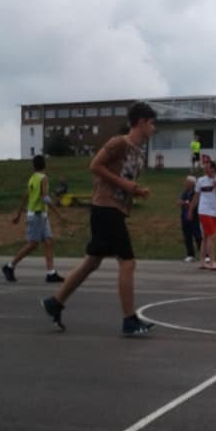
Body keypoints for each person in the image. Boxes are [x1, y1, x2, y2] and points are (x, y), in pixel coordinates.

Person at [41, 102, 157, 335]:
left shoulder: (137, 152)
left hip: (113, 210)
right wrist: (125, 185)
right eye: (152, 123)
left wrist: (135, 191)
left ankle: (55, 302)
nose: (153, 128)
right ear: (142, 122)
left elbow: (122, 180)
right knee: (127, 263)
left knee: (92, 262)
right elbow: (94, 165)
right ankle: (129, 320)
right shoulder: (119, 143)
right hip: (105, 208)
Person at [2, 155, 67, 284]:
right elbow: (44, 197)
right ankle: (9, 266)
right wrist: (59, 214)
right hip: (37, 215)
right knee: (33, 244)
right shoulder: (43, 178)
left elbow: (26, 196)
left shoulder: (32, 178)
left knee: (48, 241)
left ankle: (51, 273)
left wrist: (19, 214)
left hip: (40, 215)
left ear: (34, 166)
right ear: (44, 165)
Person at [189, 159, 216, 270]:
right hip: (204, 211)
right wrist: (190, 210)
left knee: (206, 237)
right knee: (212, 236)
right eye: (204, 168)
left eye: (207, 168)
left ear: (213, 169)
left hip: (215, 211)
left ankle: (202, 262)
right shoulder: (201, 180)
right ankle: (212, 262)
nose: (205, 170)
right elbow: (196, 197)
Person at [177, 175, 201, 261]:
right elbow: (178, 202)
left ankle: (205, 255)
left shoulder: (196, 193)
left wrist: (187, 204)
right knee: (187, 236)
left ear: (192, 184)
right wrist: (185, 203)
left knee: (198, 236)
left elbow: (196, 203)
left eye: (187, 182)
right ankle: (190, 255)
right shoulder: (185, 192)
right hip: (184, 217)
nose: (185, 183)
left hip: (195, 217)